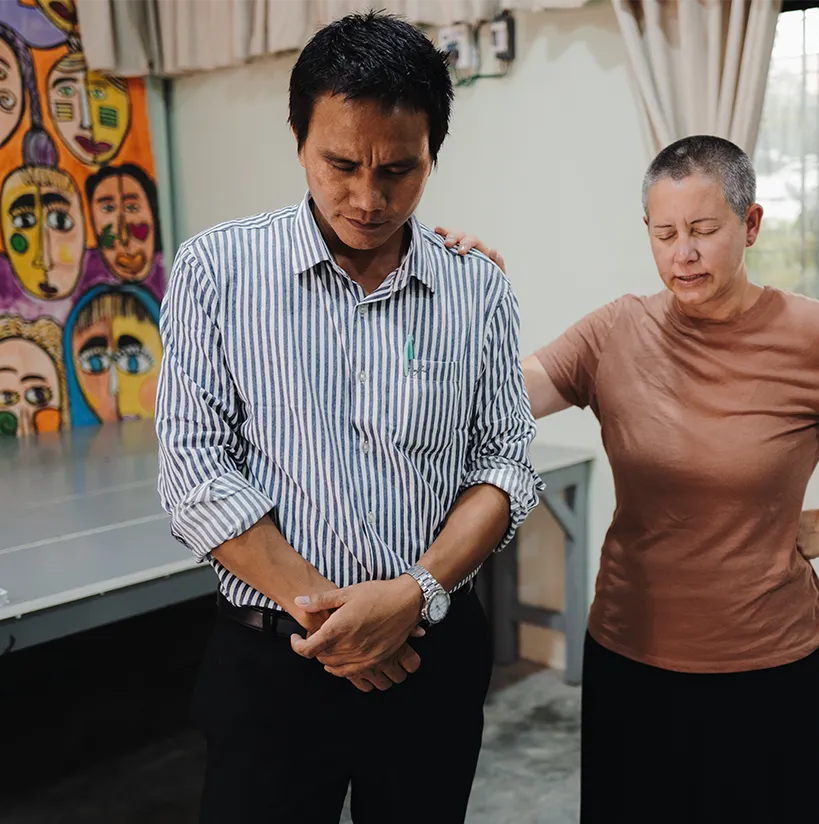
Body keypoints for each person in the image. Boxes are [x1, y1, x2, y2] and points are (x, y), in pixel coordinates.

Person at [436, 134, 819, 823]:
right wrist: (463, 302)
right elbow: (500, 392)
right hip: (631, 653)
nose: (683, 253)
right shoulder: (616, 330)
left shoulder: (818, 336)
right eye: (665, 233)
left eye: (704, 231)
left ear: (751, 225)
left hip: (768, 666)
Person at [154, 13, 542, 824]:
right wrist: (335, 621)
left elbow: (504, 464)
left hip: (431, 659)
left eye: (399, 169)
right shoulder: (219, 271)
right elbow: (194, 471)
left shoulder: (477, 289)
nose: (368, 198)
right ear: (298, 140)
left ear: (434, 153)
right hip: (275, 661)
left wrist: (416, 591)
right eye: (341, 164)